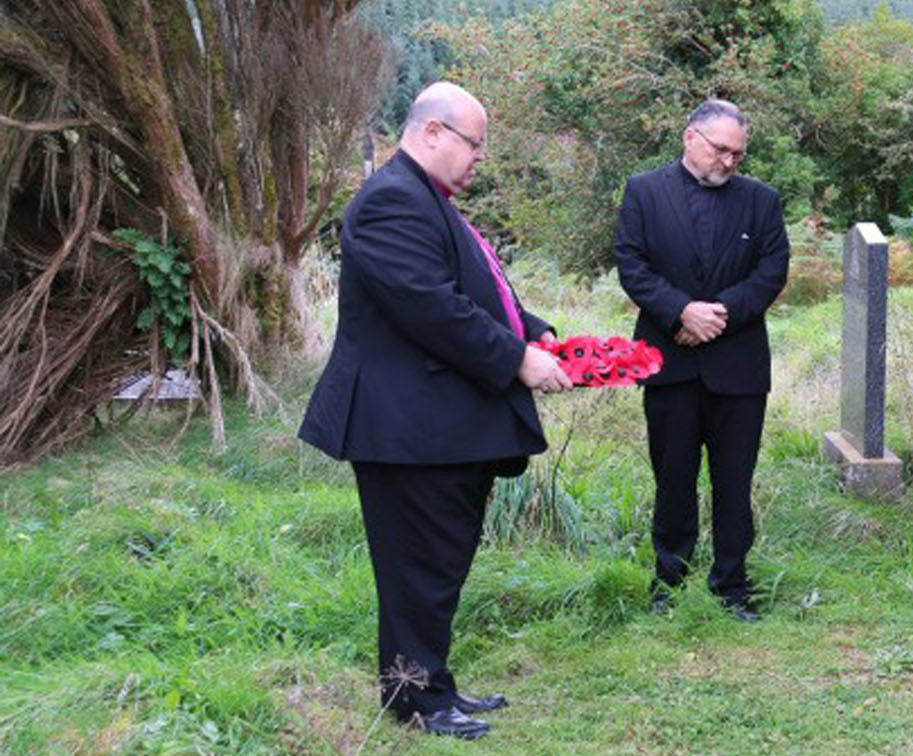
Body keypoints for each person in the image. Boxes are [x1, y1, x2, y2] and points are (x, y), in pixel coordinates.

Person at [299, 82, 572, 740]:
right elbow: (431, 307)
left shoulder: (428, 201)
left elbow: (475, 290)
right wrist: (516, 360)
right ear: (431, 133)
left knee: (439, 564)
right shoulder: (393, 200)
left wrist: (532, 330)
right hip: (404, 428)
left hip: (435, 426)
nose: (480, 157)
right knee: (417, 567)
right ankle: (416, 702)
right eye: (473, 143)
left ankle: (429, 686)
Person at [612, 99, 790, 621]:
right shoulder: (644, 191)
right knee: (672, 476)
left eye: (738, 153)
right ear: (691, 138)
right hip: (667, 360)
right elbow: (631, 262)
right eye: (721, 149)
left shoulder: (761, 200)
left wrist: (718, 316)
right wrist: (679, 312)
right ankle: (670, 581)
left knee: (735, 479)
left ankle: (732, 585)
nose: (730, 161)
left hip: (738, 364)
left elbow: (772, 270)